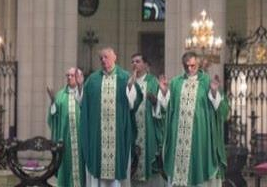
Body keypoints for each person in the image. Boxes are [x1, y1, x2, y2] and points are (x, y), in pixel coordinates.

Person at [158, 52, 227, 187]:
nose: (189, 69)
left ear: (198, 64)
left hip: (199, 136)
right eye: (186, 66)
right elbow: (167, 107)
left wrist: (213, 92)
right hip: (178, 137)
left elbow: (221, 108)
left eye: (193, 66)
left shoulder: (207, 82)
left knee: (198, 169)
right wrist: (165, 92)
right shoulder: (176, 82)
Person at [79, 47, 141, 186]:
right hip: (98, 134)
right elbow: (84, 103)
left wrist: (131, 88)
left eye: (106, 57)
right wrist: (79, 87)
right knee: (97, 171)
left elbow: (133, 105)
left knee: (116, 172)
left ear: (115, 57)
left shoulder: (125, 77)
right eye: (101, 58)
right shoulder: (93, 80)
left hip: (117, 133)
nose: (103, 60)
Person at [130, 53, 164, 186]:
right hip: (133, 128)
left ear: (145, 65)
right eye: (132, 62)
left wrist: (155, 102)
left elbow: (163, 107)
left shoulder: (152, 81)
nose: (134, 64)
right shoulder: (129, 81)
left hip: (148, 128)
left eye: (138, 61)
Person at [47, 67, 85, 187]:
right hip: (65, 138)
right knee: (66, 164)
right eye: (67, 75)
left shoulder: (84, 93)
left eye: (71, 75)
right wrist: (53, 102)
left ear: (78, 77)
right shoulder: (60, 95)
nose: (69, 78)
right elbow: (53, 117)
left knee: (81, 164)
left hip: (81, 138)